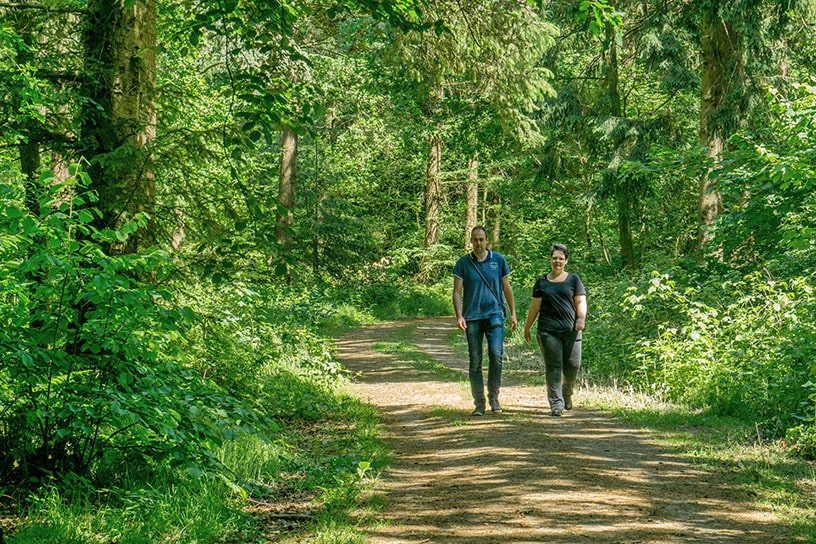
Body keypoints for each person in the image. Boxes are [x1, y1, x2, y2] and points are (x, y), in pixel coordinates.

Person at [453, 226, 518, 416]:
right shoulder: (463, 263)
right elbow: (457, 291)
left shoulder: (498, 260)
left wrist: (513, 313)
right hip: (472, 317)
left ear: (487, 240)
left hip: (495, 315)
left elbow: (507, 287)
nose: (478, 243)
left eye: (481, 239)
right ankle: (479, 403)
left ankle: (494, 398)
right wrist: (459, 315)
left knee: (496, 356)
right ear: (471, 241)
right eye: (475, 239)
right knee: (475, 361)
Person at [523, 243, 587, 417]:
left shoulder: (574, 280)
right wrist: (527, 327)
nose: (557, 261)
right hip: (547, 331)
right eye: (554, 258)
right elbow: (535, 307)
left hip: (571, 331)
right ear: (550, 260)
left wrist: (581, 318)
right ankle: (556, 404)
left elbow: (580, 301)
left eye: (560, 258)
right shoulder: (542, 282)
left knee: (572, 366)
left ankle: (567, 393)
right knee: (554, 367)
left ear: (566, 261)